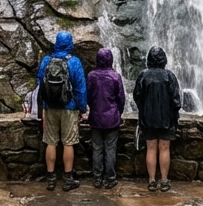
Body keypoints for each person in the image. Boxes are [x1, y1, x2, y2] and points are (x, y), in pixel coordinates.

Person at [37, 31, 88, 191]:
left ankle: (51, 179)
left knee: (50, 142)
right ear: (70, 43)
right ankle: (68, 179)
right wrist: (82, 108)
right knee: (68, 143)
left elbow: (40, 84)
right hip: (69, 108)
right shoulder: (74, 62)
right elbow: (80, 88)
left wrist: (43, 107)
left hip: (50, 107)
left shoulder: (46, 60)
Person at [133, 46, 180, 192]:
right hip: (167, 119)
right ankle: (164, 180)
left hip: (148, 118)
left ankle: (152, 180)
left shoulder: (143, 76)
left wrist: (144, 109)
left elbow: (137, 96)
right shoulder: (169, 76)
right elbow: (176, 100)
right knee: (164, 147)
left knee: (151, 148)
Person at [85, 47, 126, 189]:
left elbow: (88, 97)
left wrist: (94, 108)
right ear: (110, 59)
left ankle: (97, 178)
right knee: (110, 148)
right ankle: (110, 178)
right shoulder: (115, 76)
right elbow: (121, 98)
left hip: (96, 117)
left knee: (97, 148)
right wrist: (118, 113)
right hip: (112, 118)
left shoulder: (91, 76)